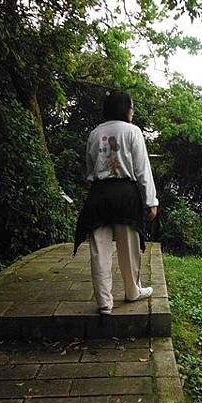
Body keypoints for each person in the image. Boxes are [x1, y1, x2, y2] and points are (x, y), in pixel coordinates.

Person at [73, 90, 159, 315]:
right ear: (125, 109)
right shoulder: (133, 132)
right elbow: (142, 170)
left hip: (99, 194)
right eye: (131, 107)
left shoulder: (94, 133)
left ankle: (104, 303)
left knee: (99, 251)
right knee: (129, 247)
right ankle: (132, 291)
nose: (133, 111)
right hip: (125, 194)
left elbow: (90, 171)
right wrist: (151, 201)